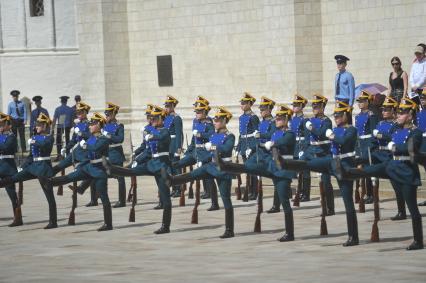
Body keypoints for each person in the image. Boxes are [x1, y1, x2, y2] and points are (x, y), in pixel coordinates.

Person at [348, 98, 424, 250]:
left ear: (410, 114)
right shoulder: (396, 129)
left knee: (413, 209)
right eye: (399, 112)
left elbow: (409, 148)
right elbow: (383, 140)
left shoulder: (415, 132)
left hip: (406, 171)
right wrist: (360, 158)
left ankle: (418, 241)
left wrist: (394, 146)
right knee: (374, 169)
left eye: (402, 113)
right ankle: (351, 172)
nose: (398, 115)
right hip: (392, 165)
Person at [164, 107, 236, 238]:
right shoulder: (214, 135)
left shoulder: (230, 136)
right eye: (215, 120)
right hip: (210, 165)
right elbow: (209, 152)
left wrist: (212, 147)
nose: (215, 123)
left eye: (218, 120)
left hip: (223, 169)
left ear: (225, 121)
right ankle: (173, 180)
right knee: (194, 174)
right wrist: (202, 160)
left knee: (226, 200)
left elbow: (226, 148)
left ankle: (229, 230)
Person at [104, 105, 173, 234]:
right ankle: (113, 169)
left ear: (161, 118)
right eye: (151, 118)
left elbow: (162, 136)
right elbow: (148, 151)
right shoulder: (152, 130)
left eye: (154, 118)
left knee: (166, 198)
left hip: (162, 166)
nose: (151, 120)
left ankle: (165, 226)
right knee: (132, 171)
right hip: (152, 163)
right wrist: (137, 159)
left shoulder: (165, 131)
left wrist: (151, 135)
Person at [48, 113, 112, 231]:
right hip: (89, 167)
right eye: (90, 124)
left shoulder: (104, 139)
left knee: (104, 198)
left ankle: (108, 224)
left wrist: (85, 145)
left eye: (92, 124)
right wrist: (73, 152)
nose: (90, 126)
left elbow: (95, 148)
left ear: (98, 124)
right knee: (71, 177)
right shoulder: (92, 137)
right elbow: (83, 148)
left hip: (99, 170)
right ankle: (50, 182)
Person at [0, 113, 57, 229]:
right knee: (13, 178)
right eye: (36, 125)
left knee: (49, 196)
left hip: (44, 168)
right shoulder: (35, 138)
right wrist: (23, 166)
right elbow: (31, 156)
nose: (36, 127)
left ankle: (53, 221)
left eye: (39, 125)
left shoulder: (49, 137)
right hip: (33, 167)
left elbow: (45, 145)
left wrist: (34, 141)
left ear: (45, 126)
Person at [173, 96, 219, 211]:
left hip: (204, 152)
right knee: (178, 164)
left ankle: (211, 198)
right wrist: (188, 151)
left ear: (204, 112)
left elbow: (212, 136)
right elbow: (194, 139)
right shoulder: (195, 121)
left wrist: (200, 135)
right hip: (195, 152)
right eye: (196, 112)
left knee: (207, 176)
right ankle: (177, 185)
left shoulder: (209, 123)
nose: (197, 114)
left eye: (199, 112)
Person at [301, 94, 335, 215]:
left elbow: (321, 134)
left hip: (323, 152)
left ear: (322, 107)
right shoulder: (310, 120)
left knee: (326, 182)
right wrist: (304, 150)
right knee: (300, 163)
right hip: (311, 151)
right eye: (313, 106)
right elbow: (306, 138)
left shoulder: (327, 121)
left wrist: (311, 128)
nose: (314, 108)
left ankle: (330, 208)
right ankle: (302, 192)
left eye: (317, 106)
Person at [354, 90, 379, 204]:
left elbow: (374, 132)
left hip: (368, 144)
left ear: (368, 102)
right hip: (360, 144)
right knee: (362, 170)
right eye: (359, 101)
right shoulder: (358, 116)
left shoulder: (371, 115)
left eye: (363, 101)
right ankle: (364, 193)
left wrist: (371, 145)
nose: (360, 103)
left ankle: (371, 194)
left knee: (370, 170)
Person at [235, 92, 260, 201]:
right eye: (242, 103)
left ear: (250, 104)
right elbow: (241, 134)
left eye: (244, 103)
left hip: (251, 145)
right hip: (244, 145)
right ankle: (249, 190)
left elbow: (257, 134)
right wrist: (238, 148)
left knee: (253, 170)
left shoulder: (253, 117)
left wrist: (253, 147)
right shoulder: (241, 117)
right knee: (247, 170)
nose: (242, 105)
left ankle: (254, 192)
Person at [102, 102, 126, 208]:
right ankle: (102, 198)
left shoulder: (119, 125)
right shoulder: (103, 126)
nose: (106, 116)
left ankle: (122, 200)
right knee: (101, 176)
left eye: (108, 114)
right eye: (106, 114)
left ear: (113, 114)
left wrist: (108, 135)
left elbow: (120, 139)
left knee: (120, 178)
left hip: (116, 154)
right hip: (105, 154)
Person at [0, 113, 22, 227]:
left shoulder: (11, 137)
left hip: (8, 169)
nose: (0, 127)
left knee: (12, 195)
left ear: (9, 125)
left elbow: (5, 148)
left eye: (3, 124)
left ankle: (17, 218)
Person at [289, 94, 309, 207]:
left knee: (304, 172)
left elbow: (306, 137)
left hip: (301, 146)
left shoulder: (305, 120)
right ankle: (299, 192)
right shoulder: (293, 119)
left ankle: (305, 194)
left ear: (301, 106)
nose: (294, 107)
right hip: (295, 147)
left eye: (296, 105)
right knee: (296, 172)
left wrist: (304, 149)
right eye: (294, 105)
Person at [163, 95, 183, 198]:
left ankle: (179, 188)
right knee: (170, 169)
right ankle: (174, 188)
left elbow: (179, 134)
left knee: (176, 168)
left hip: (174, 144)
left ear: (172, 106)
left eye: (167, 106)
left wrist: (178, 148)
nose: (166, 108)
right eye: (165, 106)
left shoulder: (176, 118)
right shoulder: (166, 118)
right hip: (167, 145)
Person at [52, 96, 73, 161]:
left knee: (59, 142)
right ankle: (68, 155)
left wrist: (52, 128)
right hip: (67, 127)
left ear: (61, 101)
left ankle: (59, 156)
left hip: (60, 127)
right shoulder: (70, 109)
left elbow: (54, 119)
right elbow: (72, 120)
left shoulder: (57, 109)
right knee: (67, 141)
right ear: (66, 101)